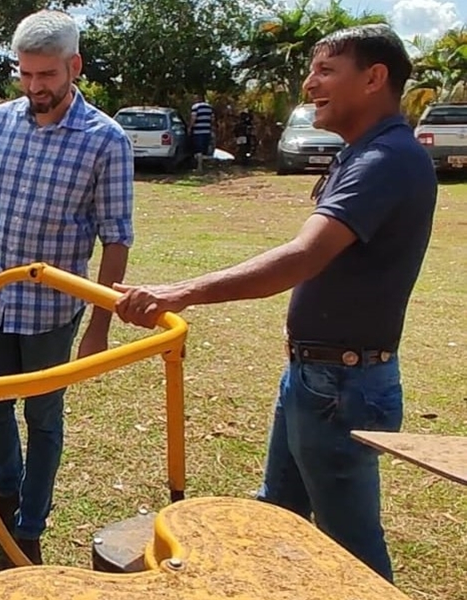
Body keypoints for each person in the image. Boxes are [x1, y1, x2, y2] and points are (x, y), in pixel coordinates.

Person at [113, 24, 436, 583]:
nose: (309, 84)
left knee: (351, 550)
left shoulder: (386, 160)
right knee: (275, 519)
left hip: (343, 385)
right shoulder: (366, 154)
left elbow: (301, 258)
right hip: (318, 376)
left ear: (374, 78)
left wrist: (181, 291)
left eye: (326, 71)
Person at [0, 9, 134, 566]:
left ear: (74, 67)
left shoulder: (106, 140)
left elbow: (116, 239)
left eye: (47, 76)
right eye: (25, 75)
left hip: (53, 310)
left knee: (43, 417)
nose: (35, 88)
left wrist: (99, 326)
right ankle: (8, 491)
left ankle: (30, 524)